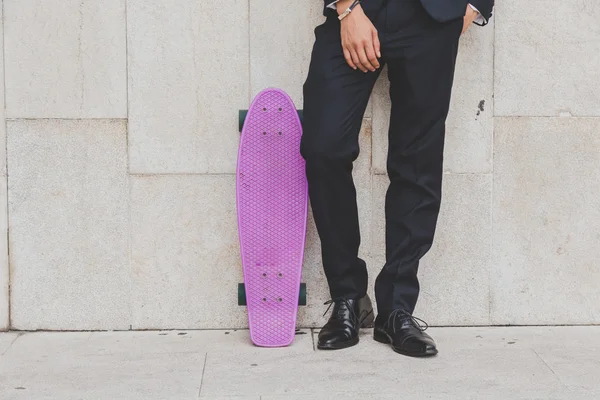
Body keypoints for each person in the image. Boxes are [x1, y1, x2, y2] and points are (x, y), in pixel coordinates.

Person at [301, 0, 494, 357]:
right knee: (323, 146)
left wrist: (473, 6)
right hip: (357, 9)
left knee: (417, 160)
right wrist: (346, 9)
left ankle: (396, 309)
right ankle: (349, 296)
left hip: (434, 16)